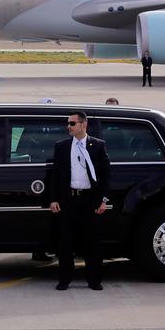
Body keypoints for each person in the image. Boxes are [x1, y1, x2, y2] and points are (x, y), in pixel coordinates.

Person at [49, 111, 111, 291]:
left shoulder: (98, 146)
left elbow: (106, 175)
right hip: (68, 200)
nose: (68, 126)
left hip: (89, 200)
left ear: (84, 125)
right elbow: (55, 175)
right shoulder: (61, 146)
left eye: (72, 123)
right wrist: (53, 198)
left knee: (92, 242)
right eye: (68, 123)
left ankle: (94, 280)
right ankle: (64, 279)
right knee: (65, 243)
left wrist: (103, 200)